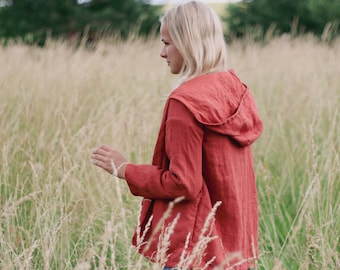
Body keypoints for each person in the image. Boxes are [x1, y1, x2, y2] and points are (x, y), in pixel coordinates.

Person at [91, 1, 263, 269]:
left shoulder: (184, 103)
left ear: (189, 43)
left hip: (196, 253)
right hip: (235, 250)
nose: (162, 53)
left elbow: (183, 183)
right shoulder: (235, 89)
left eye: (167, 43)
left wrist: (126, 169)